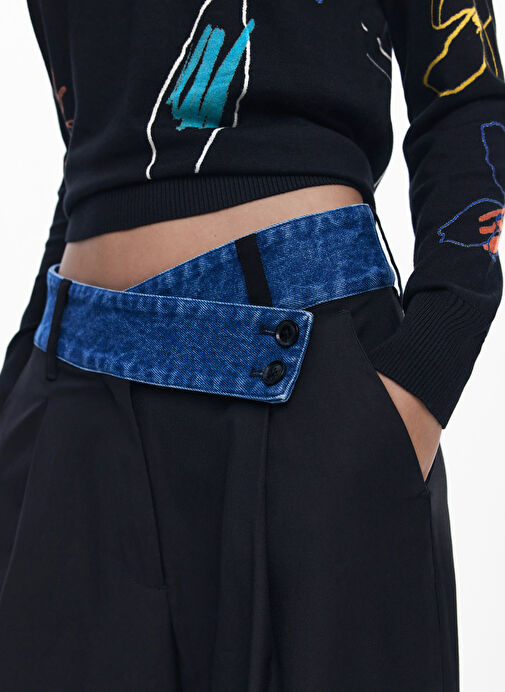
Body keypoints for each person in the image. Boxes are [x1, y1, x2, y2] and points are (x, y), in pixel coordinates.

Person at [0, 1, 503, 690]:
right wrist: (21, 377)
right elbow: (101, 136)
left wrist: (422, 378)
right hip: (68, 393)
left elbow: (465, 95)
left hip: (302, 382)